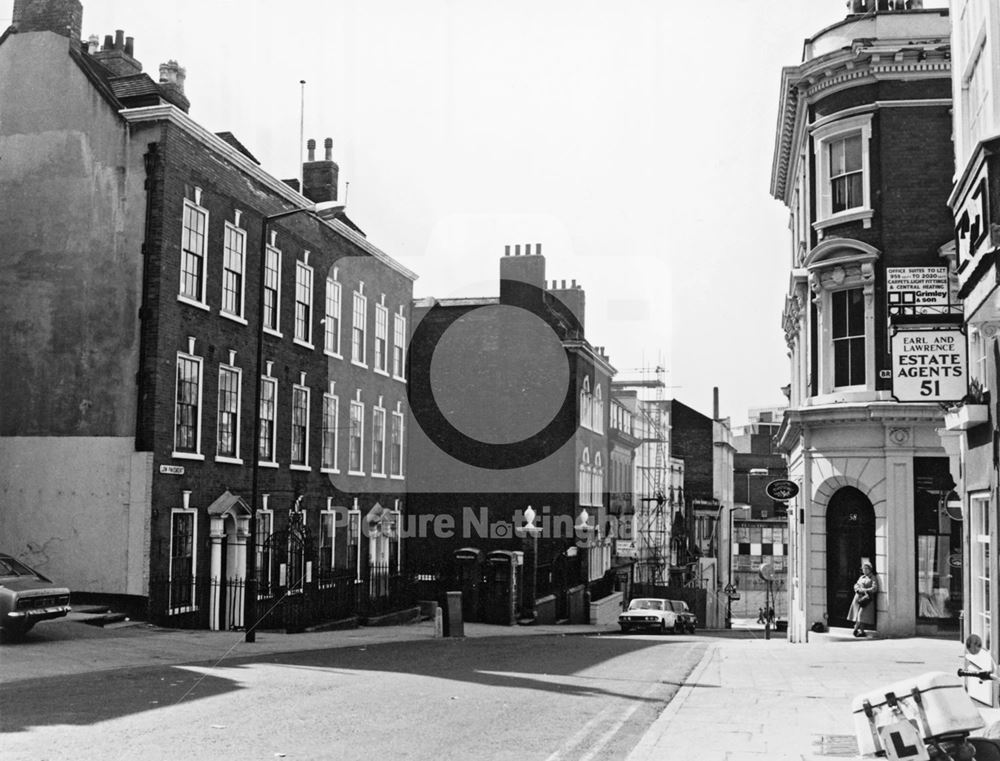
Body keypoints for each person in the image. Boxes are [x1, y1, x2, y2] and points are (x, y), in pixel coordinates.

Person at [848, 562, 878, 637]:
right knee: (859, 615)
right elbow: (856, 585)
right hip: (858, 598)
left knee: (861, 615)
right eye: (863, 569)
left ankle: (855, 629)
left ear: (870, 569)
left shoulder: (873, 577)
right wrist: (857, 589)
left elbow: (874, 588)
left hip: (866, 599)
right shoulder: (861, 577)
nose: (864, 570)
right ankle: (862, 631)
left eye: (866, 568)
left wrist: (865, 590)